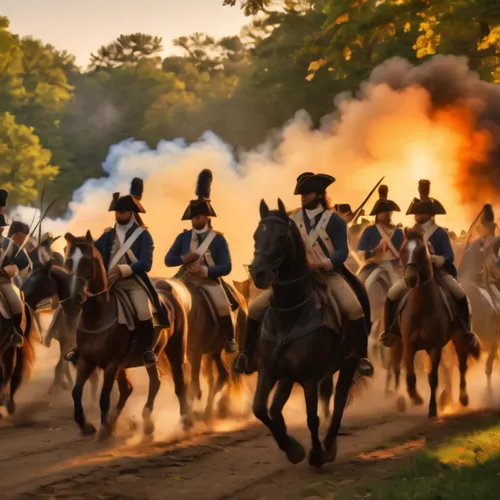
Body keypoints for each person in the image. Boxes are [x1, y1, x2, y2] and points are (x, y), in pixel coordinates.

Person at [234, 172, 374, 377]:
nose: (302, 197)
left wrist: (320, 263)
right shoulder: (292, 219)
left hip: (328, 276)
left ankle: (361, 356)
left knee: (354, 309)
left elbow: (342, 253)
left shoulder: (335, 221)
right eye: (301, 194)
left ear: (318, 194)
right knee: (255, 308)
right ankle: (247, 354)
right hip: (297, 280)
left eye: (307, 193)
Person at [65, 178, 167, 367]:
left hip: (133, 282)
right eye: (117, 212)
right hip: (108, 283)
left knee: (143, 312)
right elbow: (93, 253)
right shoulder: (108, 235)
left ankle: (147, 350)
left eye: (122, 212)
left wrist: (124, 269)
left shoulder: (143, 235)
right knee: (88, 308)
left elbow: (146, 263)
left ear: (131, 213)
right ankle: (81, 347)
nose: (118, 215)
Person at [380, 179, 480, 356]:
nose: (417, 216)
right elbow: (404, 253)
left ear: (429, 214)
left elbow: (449, 256)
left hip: (439, 274)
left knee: (461, 295)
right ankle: (389, 331)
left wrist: (434, 258)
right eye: (416, 213)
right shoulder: (410, 233)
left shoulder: (439, 233)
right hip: (413, 275)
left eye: (420, 212)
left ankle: (466, 331)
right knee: (391, 295)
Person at [165, 169, 237, 353]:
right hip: (184, 279)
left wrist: (204, 271)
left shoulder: (218, 239)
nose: (194, 221)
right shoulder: (183, 238)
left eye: (197, 217)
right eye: (192, 218)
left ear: (206, 217)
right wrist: (184, 258)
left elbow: (226, 266)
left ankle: (229, 339)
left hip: (209, 280)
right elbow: (168, 260)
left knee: (222, 305)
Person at [357, 185, 404, 285]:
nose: (387, 214)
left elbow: (404, 254)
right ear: (378, 214)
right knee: (359, 286)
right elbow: (360, 254)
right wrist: (375, 250)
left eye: (388, 212)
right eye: (383, 212)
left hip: (395, 267)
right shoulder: (369, 230)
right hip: (372, 266)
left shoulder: (399, 232)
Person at [0, 221, 32, 347]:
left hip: (2, 282)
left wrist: (11, 269)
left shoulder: (9, 244)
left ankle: (16, 332)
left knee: (16, 304)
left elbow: (23, 261)